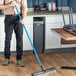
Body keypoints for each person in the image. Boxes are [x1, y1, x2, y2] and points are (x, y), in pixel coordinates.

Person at [0, 0, 27, 67]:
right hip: (9, 18)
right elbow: (0, 6)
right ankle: (7, 58)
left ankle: (19, 59)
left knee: (19, 39)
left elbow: (24, 8)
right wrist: (10, 4)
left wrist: (24, 18)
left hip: (19, 18)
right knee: (8, 39)